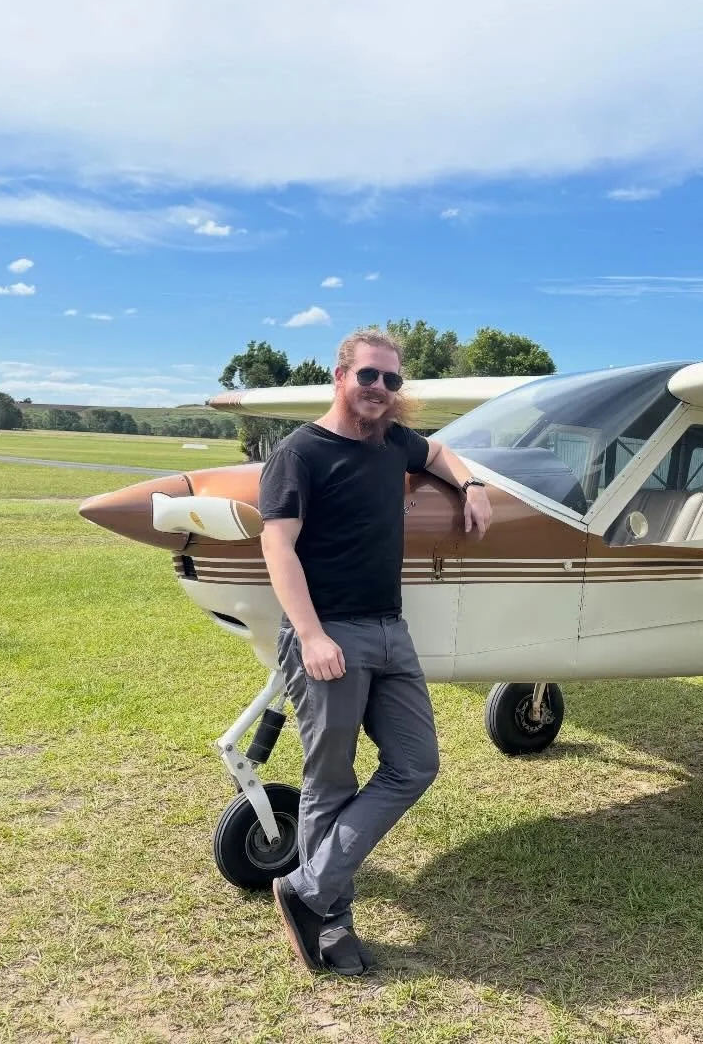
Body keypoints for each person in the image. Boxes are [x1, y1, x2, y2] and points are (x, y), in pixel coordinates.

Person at [257, 326, 492, 976]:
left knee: (416, 764)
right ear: (340, 377)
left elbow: (440, 452)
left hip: (391, 632)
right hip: (328, 633)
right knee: (329, 781)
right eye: (369, 377)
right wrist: (310, 635)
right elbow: (277, 547)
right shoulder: (298, 453)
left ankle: (306, 888)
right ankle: (331, 925)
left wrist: (470, 487)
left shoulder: (393, 444)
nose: (381, 390)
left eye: (392, 380)